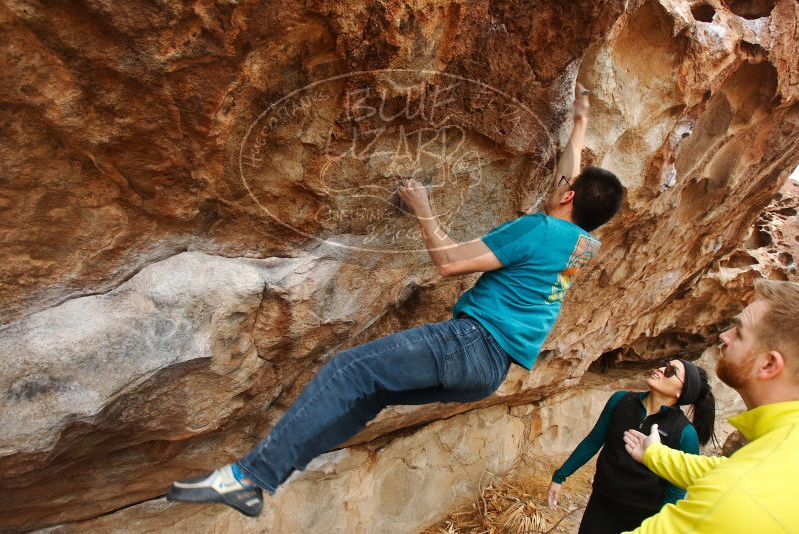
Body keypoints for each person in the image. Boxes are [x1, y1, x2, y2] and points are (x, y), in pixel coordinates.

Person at [165, 83, 624, 517]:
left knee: (349, 369)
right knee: (366, 395)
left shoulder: (539, 229)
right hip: (488, 373)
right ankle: (261, 481)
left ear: (568, 195)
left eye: (569, 184)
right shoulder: (581, 245)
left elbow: (449, 262)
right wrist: (579, 122)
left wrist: (424, 208)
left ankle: (250, 477)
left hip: (471, 343)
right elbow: (571, 179)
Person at [622, 279, 799, 532]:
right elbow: (726, 468)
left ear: (768, 365)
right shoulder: (782, 447)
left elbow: (734, 482)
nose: (723, 336)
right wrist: (655, 454)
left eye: (738, 331)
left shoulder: (735, 496)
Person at [546, 359, 716, 534]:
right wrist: (560, 476)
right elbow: (593, 441)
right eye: (665, 364)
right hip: (601, 502)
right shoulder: (620, 400)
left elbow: (676, 491)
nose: (661, 368)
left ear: (681, 392)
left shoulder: (684, 433)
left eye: (671, 370)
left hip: (642, 517)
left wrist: (657, 527)